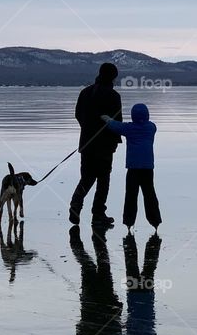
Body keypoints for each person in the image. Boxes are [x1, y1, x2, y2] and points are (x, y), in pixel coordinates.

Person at [69, 63, 123, 228]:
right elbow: (117, 122)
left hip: (86, 144)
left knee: (87, 177)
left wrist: (87, 130)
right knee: (103, 180)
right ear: (113, 77)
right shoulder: (113, 96)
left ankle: (76, 205)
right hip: (105, 146)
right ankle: (98, 215)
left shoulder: (85, 92)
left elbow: (78, 114)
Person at [101, 102, 162, 231]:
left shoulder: (129, 128)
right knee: (149, 194)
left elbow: (114, 125)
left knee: (131, 195)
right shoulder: (151, 127)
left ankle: (129, 221)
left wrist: (106, 118)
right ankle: (155, 220)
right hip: (147, 168)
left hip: (133, 168)